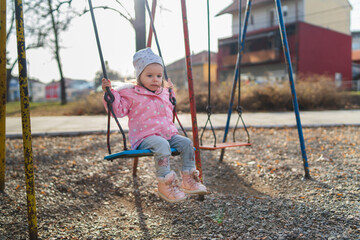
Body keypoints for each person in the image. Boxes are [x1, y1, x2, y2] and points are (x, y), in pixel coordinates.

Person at [102, 48, 207, 203]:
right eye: (149, 75)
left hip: (167, 134)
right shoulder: (131, 94)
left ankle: (188, 180)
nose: (155, 79)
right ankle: (165, 184)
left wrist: (171, 92)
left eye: (158, 76)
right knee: (162, 145)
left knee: (186, 143)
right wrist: (110, 94)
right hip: (145, 137)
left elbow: (170, 106)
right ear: (139, 76)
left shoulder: (163, 92)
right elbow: (119, 110)